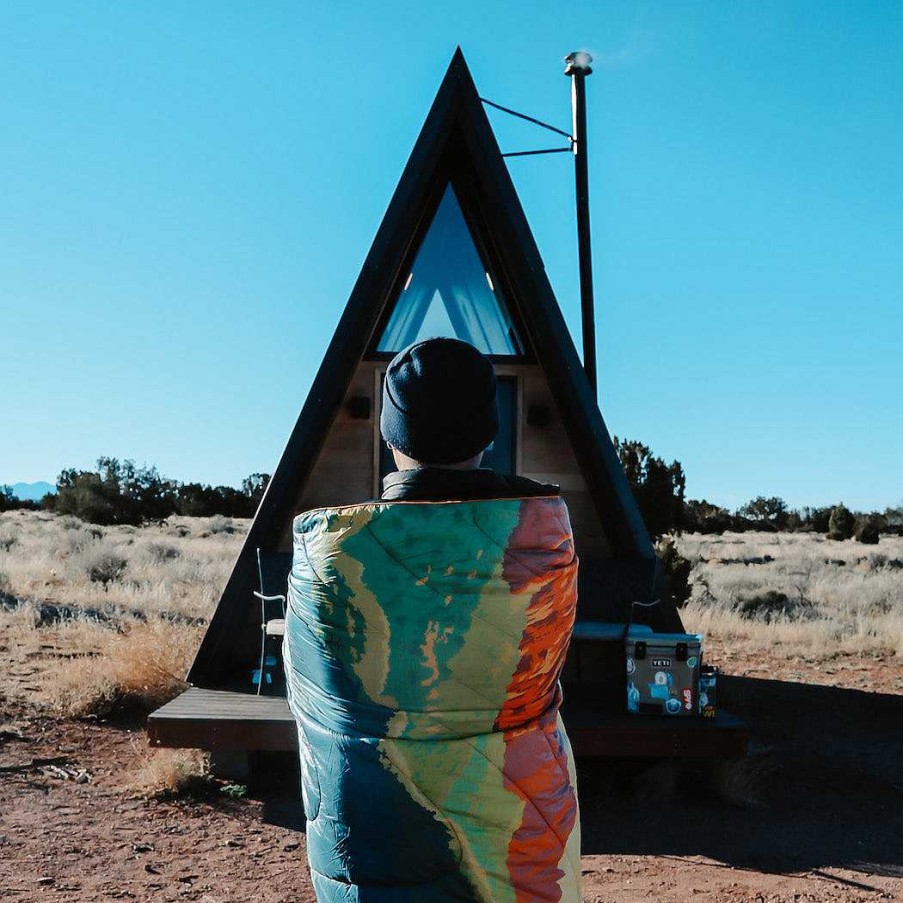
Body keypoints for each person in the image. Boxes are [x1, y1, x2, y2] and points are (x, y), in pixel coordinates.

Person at [284, 337, 581, 902]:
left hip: (370, 827)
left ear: (390, 435)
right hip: (516, 831)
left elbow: (305, 687)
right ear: (488, 433)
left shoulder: (329, 552)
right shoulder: (543, 544)